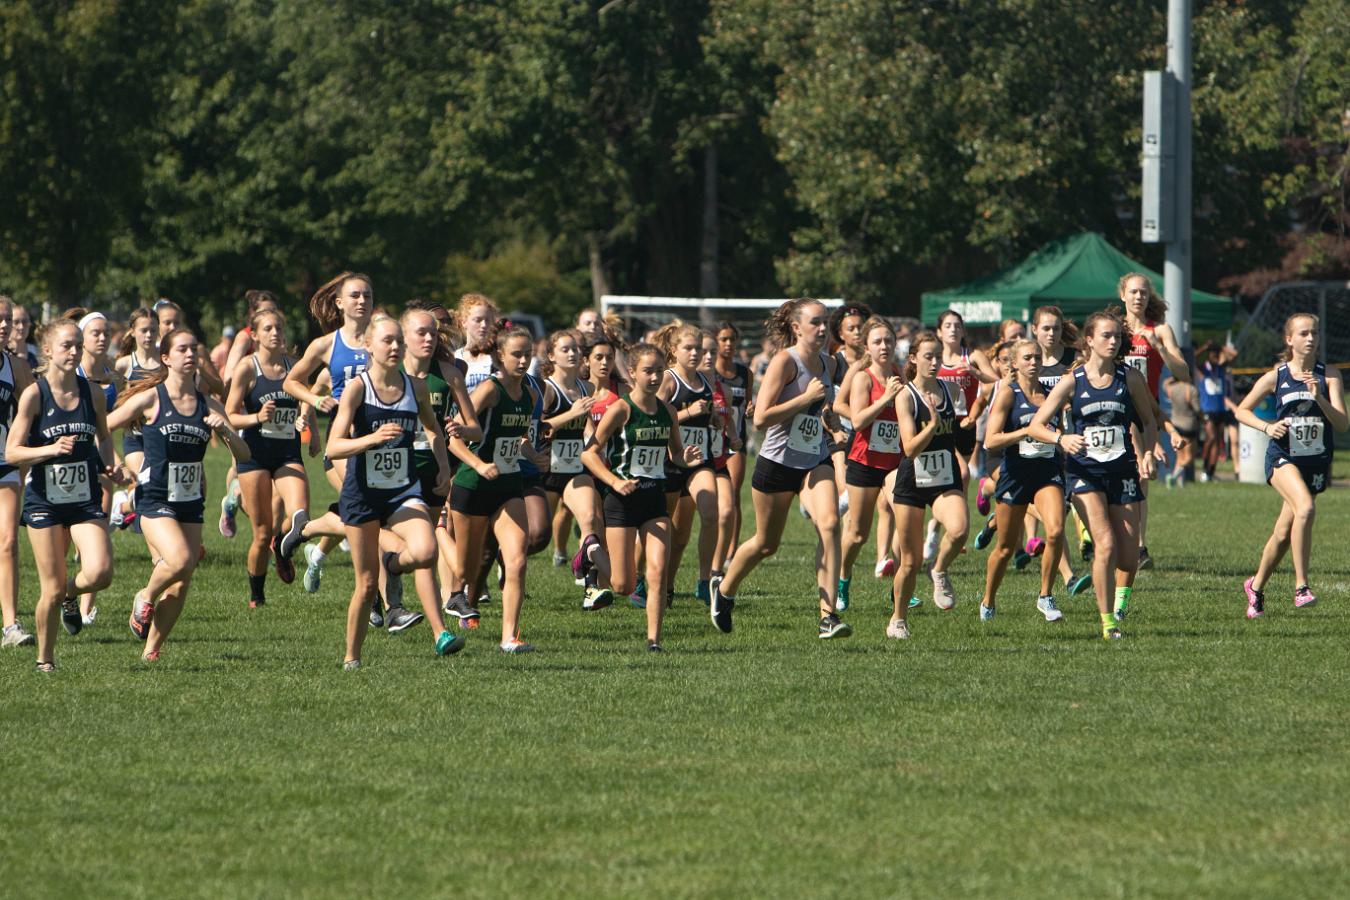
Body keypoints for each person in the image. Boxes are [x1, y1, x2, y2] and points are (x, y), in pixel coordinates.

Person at [710, 298, 852, 640]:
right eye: (815, 322)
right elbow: (760, 419)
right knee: (766, 543)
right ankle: (724, 591)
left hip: (814, 458)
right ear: (796, 327)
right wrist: (804, 399)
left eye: (825, 322)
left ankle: (828, 616)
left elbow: (822, 408)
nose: (823, 328)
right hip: (777, 463)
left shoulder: (828, 363)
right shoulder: (784, 362)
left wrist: (832, 424)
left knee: (830, 524)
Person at [325, 315, 460, 667]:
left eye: (399, 340)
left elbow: (433, 428)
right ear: (369, 345)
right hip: (363, 494)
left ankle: (393, 564)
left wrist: (444, 467)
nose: (396, 346)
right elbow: (334, 447)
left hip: (402, 490)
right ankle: (352, 657)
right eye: (388, 340)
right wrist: (371, 439)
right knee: (367, 584)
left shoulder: (415, 388)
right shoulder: (358, 388)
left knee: (426, 551)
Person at [109, 329, 252, 660]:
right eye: (182, 350)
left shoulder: (209, 404)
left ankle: (151, 651)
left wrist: (225, 430)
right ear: (166, 358)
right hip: (155, 497)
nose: (190, 355)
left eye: (193, 350)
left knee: (182, 579)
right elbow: (105, 426)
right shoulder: (151, 399)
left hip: (190, 500)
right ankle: (145, 596)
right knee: (181, 559)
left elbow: (245, 454)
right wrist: (114, 464)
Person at [1028, 310, 1158, 640]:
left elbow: (1149, 420)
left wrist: (1147, 453)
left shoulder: (1129, 378)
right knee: (1105, 544)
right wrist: (1061, 438)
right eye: (1106, 336)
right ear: (1089, 340)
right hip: (1085, 472)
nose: (1113, 342)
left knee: (1128, 558)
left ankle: (1119, 604)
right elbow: (1036, 425)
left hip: (1122, 471)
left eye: (1117, 336)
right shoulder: (1073, 381)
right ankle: (1108, 622)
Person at [7, 319, 124, 669]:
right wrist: (50, 449)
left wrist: (111, 465)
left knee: (101, 572)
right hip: (45, 502)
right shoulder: (35, 395)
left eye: (78, 345)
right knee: (51, 589)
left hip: (84, 498)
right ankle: (45, 659)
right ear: (47, 350)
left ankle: (72, 594)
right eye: (66, 346)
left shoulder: (93, 394)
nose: (74, 352)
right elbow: (12, 452)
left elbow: (104, 436)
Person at [583, 343, 701, 650]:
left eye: (659, 371)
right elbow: (589, 454)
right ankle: (591, 551)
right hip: (621, 501)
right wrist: (614, 481)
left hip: (654, 500)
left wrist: (685, 458)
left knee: (658, 572)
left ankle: (654, 641)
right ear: (632, 373)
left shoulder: (668, 411)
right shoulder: (621, 409)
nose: (655, 377)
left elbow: (675, 454)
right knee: (622, 585)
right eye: (648, 371)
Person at [1234, 314, 1346, 618]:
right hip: (1283, 457)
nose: (1311, 338)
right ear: (1289, 339)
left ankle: (1255, 587)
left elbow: (1342, 424)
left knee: (1284, 533)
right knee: (1305, 508)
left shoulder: (1330, 375)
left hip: (1315, 462)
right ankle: (1301, 587)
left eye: (1315, 333)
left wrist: (1320, 399)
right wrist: (1267, 427)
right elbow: (1242, 411)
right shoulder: (1277, 376)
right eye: (1304, 333)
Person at [444, 323, 547, 651]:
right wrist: (478, 464)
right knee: (466, 569)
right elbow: (454, 438)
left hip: (508, 485)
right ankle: (439, 533)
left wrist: (534, 456)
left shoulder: (531, 394)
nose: (523, 361)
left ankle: (509, 638)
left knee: (517, 560)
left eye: (527, 354)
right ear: (500, 356)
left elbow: (518, 438)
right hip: (473, 484)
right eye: (516, 354)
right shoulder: (489, 390)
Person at [224, 308, 316, 609]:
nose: (275, 333)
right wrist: (256, 417)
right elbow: (229, 415)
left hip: (288, 453)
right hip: (254, 456)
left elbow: (306, 399)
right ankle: (257, 595)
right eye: (268, 328)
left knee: (300, 515)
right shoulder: (247, 369)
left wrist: (309, 425)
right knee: (262, 533)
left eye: (279, 327)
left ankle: (284, 543)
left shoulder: (295, 367)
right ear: (255, 335)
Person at [401, 306, 481, 631]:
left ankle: (449, 599)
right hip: (395, 471)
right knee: (402, 540)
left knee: (430, 543)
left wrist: (461, 430)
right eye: (421, 333)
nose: (429, 339)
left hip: (436, 469)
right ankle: (389, 597)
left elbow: (476, 429)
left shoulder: (449, 375)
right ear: (404, 337)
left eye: (433, 334)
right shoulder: (387, 374)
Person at [978, 339, 1067, 622]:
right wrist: (1026, 431)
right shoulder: (1008, 394)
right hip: (1015, 475)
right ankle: (988, 600)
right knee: (1005, 549)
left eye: (1037, 357)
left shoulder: (1052, 395)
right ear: (1014, 363)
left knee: (1055, 531)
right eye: (1027, 357)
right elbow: (991, 441)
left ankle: (1045, 596)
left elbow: (1060, 431)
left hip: (1047, 472)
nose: (1034, 362)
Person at [888, 331, 969, 637]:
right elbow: (909, 448)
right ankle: (898, 619)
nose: (935, 362)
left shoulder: (951, 390)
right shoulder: (906, 396)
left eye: (938, 356)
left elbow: (962, 431)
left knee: (959, 530)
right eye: (928, 357)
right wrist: (932, 425)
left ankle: (939, 570)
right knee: (909, 562)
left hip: (944, 476)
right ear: (913, 359)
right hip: (912, 479)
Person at [537, 329, 611, 609]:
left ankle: (590, 589)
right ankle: (498, 564)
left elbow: (587, 426)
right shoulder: (545, 389)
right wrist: (571, 414)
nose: (572, 353)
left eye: (576, 349)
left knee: (591, 518)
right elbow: (537, 429)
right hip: (545, 469)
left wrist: (596, 443)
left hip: (574, 468)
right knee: (535, 537)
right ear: (551, 355)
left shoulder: (586, 388)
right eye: (565, 349)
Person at [1120, 273, 1189, 569]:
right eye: (1133, 292)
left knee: (1142, 478)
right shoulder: (1114, 330)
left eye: (1144, 293)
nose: (1139, 297)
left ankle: (1138, 547)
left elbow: (1183, 373)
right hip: (1115, 412)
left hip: (1146, 413)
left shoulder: (1160, 330)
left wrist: (1158, 347)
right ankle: (1110, 539)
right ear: (1123, 295)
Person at [839, 316, 905, 613]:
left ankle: (900, 587)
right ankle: (842, 579)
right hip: (864, 462)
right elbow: (857, 420)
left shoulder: (900, 373)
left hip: (894, 462)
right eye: (877, 341)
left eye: (888, 340)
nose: (884, 346)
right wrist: (886, 397)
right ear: (867, 346)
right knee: (857, 534)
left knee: (905, 519)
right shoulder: (863, 378)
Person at [653, 321, 720, 605]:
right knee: (669, 533)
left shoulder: (706, 381)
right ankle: (653, 582)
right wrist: (689, 412)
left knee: (711, 514)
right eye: (688, 348)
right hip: (669, 462)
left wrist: (713, 419)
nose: (695, 354)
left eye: (699, 349)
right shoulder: (668, 380)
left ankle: (705, 580)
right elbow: (653, 418)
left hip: (699, 460)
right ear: (673, 350)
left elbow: (707, 416)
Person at [0, 297, 37, 649]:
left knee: (9, 541)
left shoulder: (16, 367)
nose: (4, 325)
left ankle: (10, 626)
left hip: (5, 463)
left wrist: (26, 458)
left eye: (8, 319)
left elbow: (35, 411)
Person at [110, 307, 163, 531]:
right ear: (132, 331)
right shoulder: (124, 365)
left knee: (158, 486)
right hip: (135, 437)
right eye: (144, 330)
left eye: (153, 330)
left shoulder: (166, 362)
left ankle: (123, 506)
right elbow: (115, 402)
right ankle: (136, 517)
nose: (149, 335)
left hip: (161, 438)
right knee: (145, 480)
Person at [713, 322, 753, 553]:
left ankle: (730, 551)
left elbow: (749, 405)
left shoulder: (744, 373)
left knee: (734, 492)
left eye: (732, 339)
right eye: (723, 339)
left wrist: (751, 410)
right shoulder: (708, 373)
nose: (728, 344)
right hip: (712, 441)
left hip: (736, 440)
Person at [1198, 341, 1238, 481]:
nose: (1215, 356)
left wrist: (1221, 347)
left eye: (1217, 354)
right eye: (1212, 354)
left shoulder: (1221, 368)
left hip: (1220, 409)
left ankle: (1211, 471)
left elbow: (1234, 355)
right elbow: (1192, 359)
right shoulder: (1203, 369)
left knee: (1217, 441)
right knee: (1211, 438)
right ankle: (1204, 467)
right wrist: (1204, 347)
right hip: (1207, 410)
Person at [1163, 374, 1200, 487]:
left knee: (1179, 457)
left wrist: (1172, 378)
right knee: (1188, 458)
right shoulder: (1191, 389)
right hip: (1189, 426)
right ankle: (1174, 477)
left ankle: (1179, 483)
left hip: (1176, 425)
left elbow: (1164, 385)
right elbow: (1197, 409)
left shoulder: (1172, 389)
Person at [8, 301, 39, 367]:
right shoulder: (2, 352)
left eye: (25, 322)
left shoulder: (37, 353)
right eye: (16, 322)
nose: (21, 327)